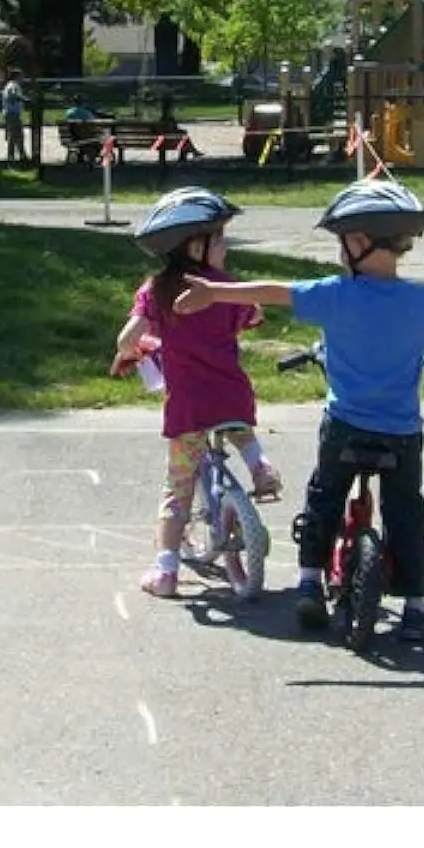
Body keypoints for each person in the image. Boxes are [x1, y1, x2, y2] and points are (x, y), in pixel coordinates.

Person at [174, 179, 424, 642]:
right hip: (401, 434)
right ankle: (416, 607)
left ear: (360, 242)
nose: (341, 253)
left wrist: (216, 293)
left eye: (343, 242)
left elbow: (277, 291)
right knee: (406, 511)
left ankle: (307, 584)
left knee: (325, 495)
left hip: (345, 426)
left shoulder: (336, 294)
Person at [112, 186, 283, 599]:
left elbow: (127, 338)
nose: (225, 246)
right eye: (220, 239)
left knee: (178, 487)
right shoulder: (226, 289)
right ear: (195, 245)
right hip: (231, 396)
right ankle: (260, 467)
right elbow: (254, 314)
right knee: (241, 431)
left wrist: (131, 351)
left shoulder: (156, 292)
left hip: (188, 407)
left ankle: (167, 570)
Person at [2, 71, 27, 164]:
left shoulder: (10, 85)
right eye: (21, 76)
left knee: (13, 136)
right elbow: (14, 95)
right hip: (13, 114)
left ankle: (14, 156)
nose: (22, 78)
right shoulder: (14, 85)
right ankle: (19, 156)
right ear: (17, 76)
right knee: (17, 135)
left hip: (10, 114)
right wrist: (26, 100)